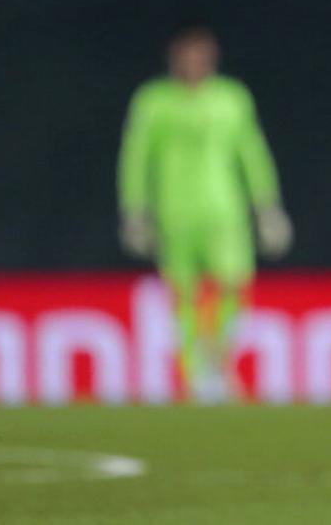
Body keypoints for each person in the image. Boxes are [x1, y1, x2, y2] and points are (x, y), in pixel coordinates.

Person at [118, 25, 293, 402]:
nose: (194, 61)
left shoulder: (231, 98)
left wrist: (267, 206)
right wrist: (134, 210)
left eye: (201, 54)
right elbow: (135, 157)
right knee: (183, 294)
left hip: (225, 211)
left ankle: (216, 359)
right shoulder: (153, 100)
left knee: (234, 282)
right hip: (174, 213)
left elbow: (251, 152)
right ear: (174, 57)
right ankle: (195, 377)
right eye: (187, 54)